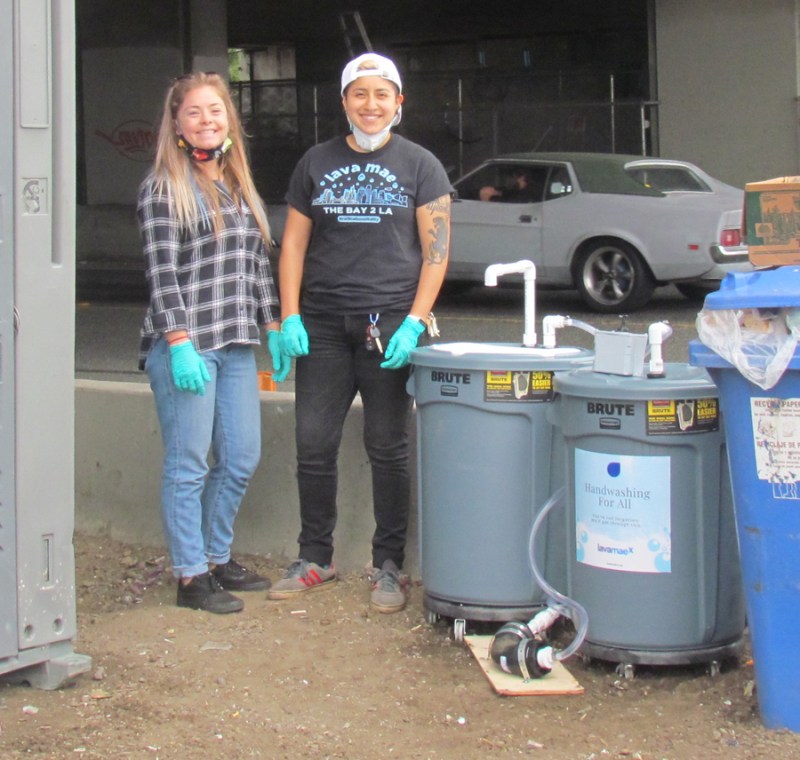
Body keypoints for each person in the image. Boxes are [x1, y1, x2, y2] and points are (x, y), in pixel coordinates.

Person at [268, 53, 452, 613]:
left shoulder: (422, 166)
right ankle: (315, 556)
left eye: (382, 94)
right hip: (321, 325)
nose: (370, 105)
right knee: (314, 444)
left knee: (388, 446)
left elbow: (436, 252)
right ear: (344, 101)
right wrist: (289, 314)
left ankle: (389, 565)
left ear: (399, 103)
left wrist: (416, 322)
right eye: (359, 94)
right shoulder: (315, 163)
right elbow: (294, 244)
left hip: (389, 324)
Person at [138, 71, 289, 614]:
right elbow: (162, 275)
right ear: (176, 122)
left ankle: (216, 556)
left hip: (235, 344)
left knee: (241, 456)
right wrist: (178, 341)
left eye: (216, 111)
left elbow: (254, 268)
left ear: (230, 120)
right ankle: (190, 575)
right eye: (195, 112)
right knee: (188, 463)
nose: (207, 121)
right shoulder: (163, 188)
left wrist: (274, 326)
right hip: (189, 347)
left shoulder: (238, 183)